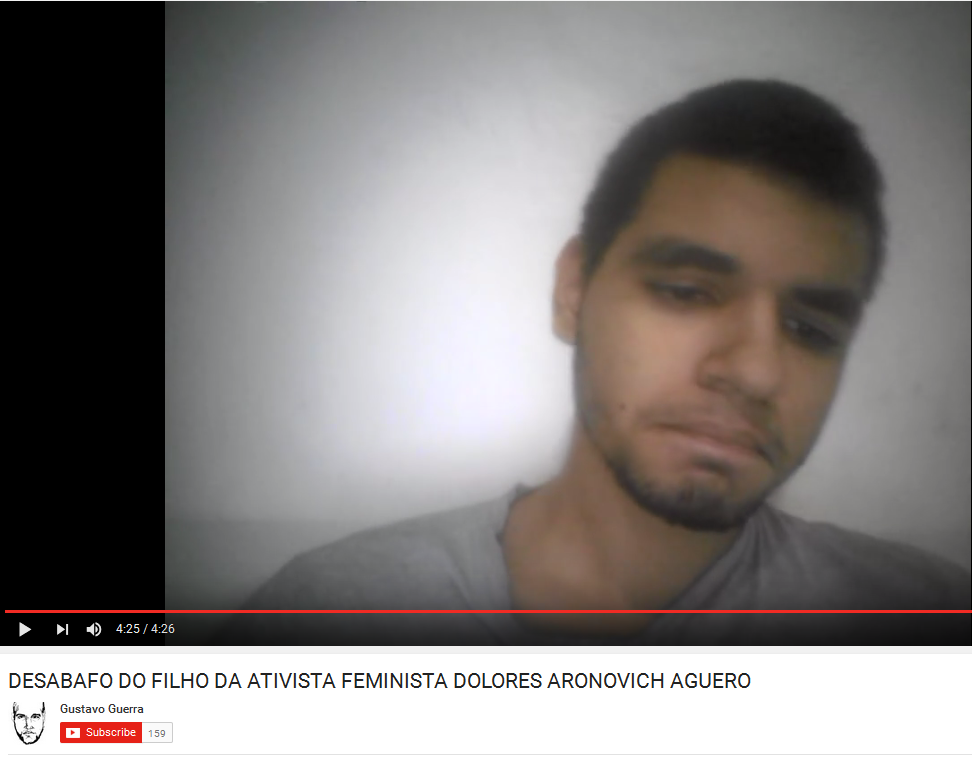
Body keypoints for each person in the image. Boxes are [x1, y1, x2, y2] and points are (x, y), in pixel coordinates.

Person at [219, 79, 971, 645]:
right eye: (687, 291)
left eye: (811, 329)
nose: (756, 372)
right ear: (574, 291)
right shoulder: (331, 616)